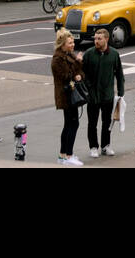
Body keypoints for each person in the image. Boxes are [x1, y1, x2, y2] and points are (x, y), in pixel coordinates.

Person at [82, 27, 125, 156]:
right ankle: (93, 147)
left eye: (99, 39)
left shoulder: (113, 54)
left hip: (107, 95)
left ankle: (106, 146)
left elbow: (119, 73)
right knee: (92, 123)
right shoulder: (89, 54)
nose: (96, 41)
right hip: (93, 96)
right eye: (95, 38)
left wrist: (121, 92)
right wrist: (88, 88)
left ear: (106, 39)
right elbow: (83, 73)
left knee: (107, 122)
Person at [51, 29, 85, 166]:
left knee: (69, 124)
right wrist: (77, 63)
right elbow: (65, 76)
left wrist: (78, 72)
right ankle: (68, 155)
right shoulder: (57, 60)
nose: (73, 45)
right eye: (70, 43)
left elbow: (78, 72)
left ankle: (63, 155)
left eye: (73, 42)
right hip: (66, 96)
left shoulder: (68, 55)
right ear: (62, 45)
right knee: (72, 124)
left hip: (71, 95)